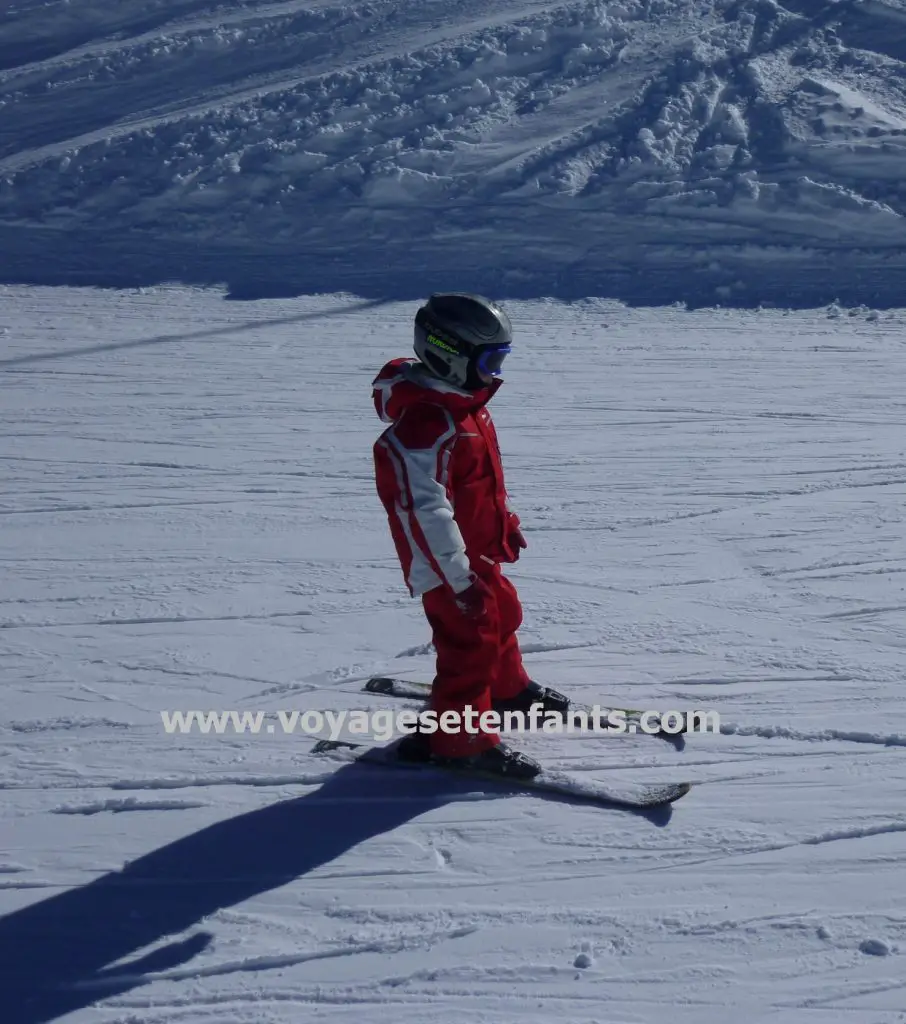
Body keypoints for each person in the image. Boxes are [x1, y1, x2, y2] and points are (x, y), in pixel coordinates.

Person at [371, 292, 570, 779]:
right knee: (468, 645)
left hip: (477, 552)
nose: (498, 372)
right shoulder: (426, 424)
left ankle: (505, 689)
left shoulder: (463, 405)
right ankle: (460, 743)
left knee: (503, 615)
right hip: (447, 566)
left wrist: (504, 523)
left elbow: (478, 483)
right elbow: (422, 511)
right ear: (450, 355)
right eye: (491, 360)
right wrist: (456, 580)